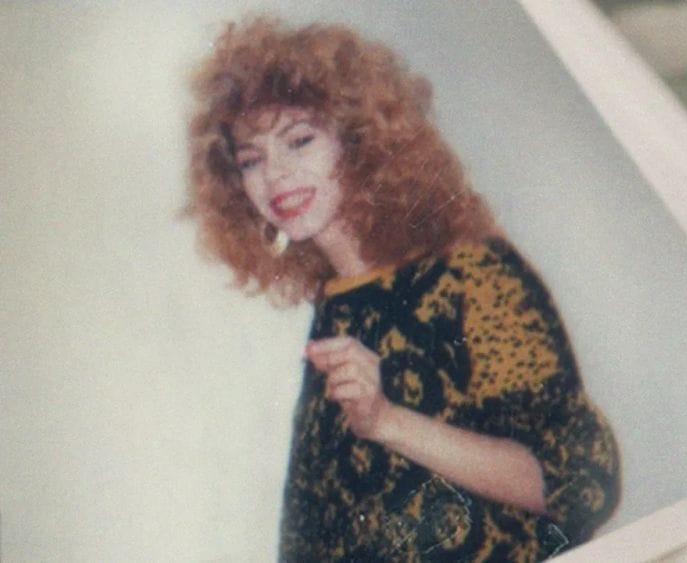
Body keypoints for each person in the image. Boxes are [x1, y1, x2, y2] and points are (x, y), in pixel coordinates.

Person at [186, 18, 620, 561]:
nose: (275, 175)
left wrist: (386, 421)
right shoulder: (337, 306)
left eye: (298, 140)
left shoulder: (473, 274)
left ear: (360, 141)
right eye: (251, 159)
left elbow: (581, 486)